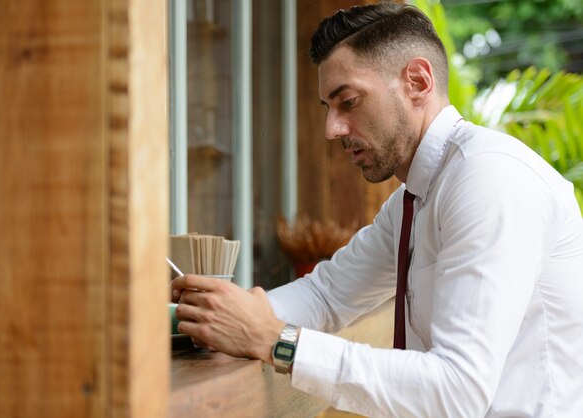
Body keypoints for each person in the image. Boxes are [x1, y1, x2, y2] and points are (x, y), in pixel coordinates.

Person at [171, 3, 583, 417]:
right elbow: (327, 294)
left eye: (348, 101)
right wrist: (224, 312)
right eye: (328, 109)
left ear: (417, 82)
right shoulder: (414, 199)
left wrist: (278, 341)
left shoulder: (489, 178)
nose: (332, 129)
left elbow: (457, 390)